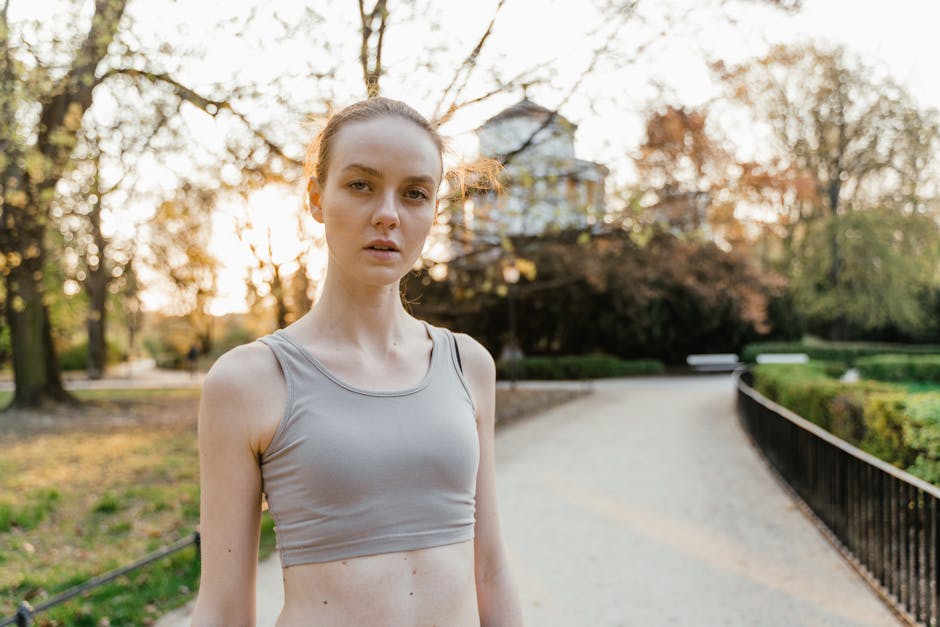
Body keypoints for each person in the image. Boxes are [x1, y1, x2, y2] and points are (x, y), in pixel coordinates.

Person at [191, 97, 524, 626]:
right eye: (361, 184)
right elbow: (224, 608)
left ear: (434, 211)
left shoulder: (469, 365)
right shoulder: (248, 381)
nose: (388, 214)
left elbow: (491, 573)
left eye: (415, 193)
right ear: (316, 197)